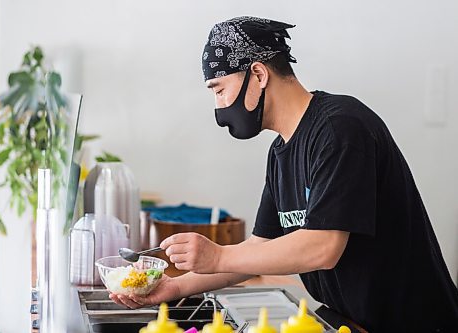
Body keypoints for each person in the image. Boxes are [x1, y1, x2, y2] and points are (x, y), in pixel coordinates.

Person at [110, 16, 458, 332]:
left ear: (258, 75)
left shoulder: (340, 128)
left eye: (219, 89)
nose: (218, 107)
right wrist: (176, 286)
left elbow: (323, 246)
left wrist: (217, 255)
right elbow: (261, 248)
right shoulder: (280, 152)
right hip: (351, 322)